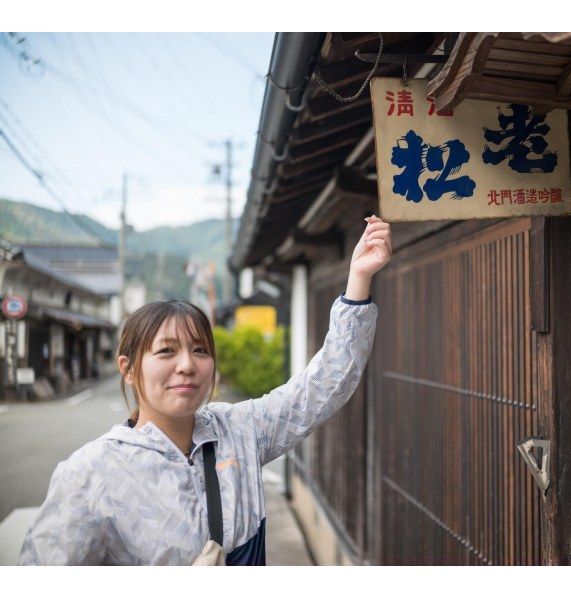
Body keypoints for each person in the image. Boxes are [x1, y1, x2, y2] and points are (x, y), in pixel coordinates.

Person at [18, 215, 392, 565]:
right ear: (128, 369)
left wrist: (358, 280)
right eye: (166, 351)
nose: (187, 365)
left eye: (200, 350)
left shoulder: (241, 430)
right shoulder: (90, 473)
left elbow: (322, 388)